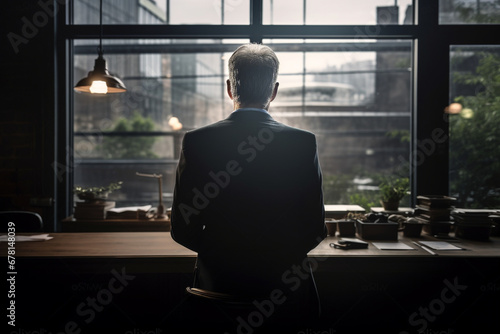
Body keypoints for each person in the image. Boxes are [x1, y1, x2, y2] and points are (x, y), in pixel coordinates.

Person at [170, 43, 327, 331]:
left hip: (218, 289)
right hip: (283, 291)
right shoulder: (303, 142)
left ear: (229, 88)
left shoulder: (197, 141)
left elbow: (181, 228)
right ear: (275, 90)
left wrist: (224, 252)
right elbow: (316, 228)